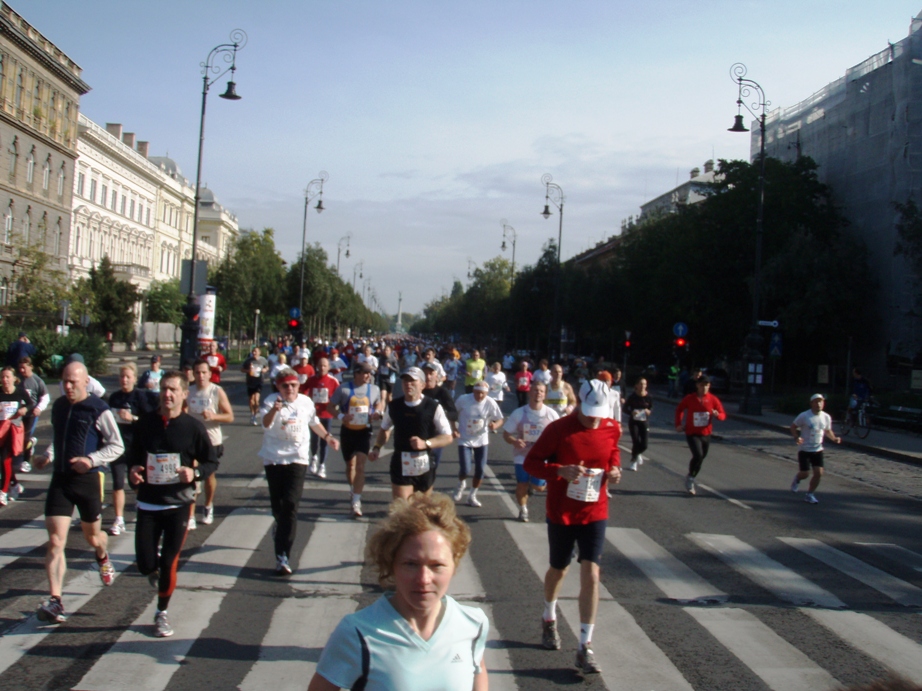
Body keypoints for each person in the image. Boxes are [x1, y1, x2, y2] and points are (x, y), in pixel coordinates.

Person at [309, 492, 489, 691]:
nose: (423, 579)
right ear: (391, 563)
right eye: (411, 564)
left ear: (454, 565)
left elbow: (478, 669)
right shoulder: (357, 633)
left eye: (436, 565)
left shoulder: (473, 624)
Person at [523, 379, 621, 675]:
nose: (594, 418)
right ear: (578, 402)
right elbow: (531, 463)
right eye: (589, 411)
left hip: (595, 510)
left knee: (592, 572)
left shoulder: (611, 427)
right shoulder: (558, 430)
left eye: (598, 412)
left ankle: (584, 646)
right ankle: (549, 616)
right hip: (562, 511)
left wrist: (614, 470)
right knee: (559, 569)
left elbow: (613, 453)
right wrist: (559, 471)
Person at [31, 361, 124, 624]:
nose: (68, 386)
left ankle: (102, 556)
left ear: (86, 382)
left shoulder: (98, 409)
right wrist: (47, 457)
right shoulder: (60, 407)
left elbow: (117, 446)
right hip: (61, 480)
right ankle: (56, 601)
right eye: (65, 381)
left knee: (93, 538)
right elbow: (61, 440)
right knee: (56, 541)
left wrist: (91, 460)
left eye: (73, 381)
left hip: (87, 481)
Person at [127, 370, 218, 638]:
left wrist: (195, 473)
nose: (167, 394)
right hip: (148, 503)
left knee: (169, 561)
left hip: (179, 503)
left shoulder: (193, 428)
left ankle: (161, 613)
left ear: (183, 395)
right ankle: (156, 575)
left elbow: (211, 461)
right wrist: (134, 470)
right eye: (164, 389)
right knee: (145, 563)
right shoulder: (145, 423)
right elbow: (133, 454)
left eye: (173, 390)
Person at [259, 367, 340, 575]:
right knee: (278, 505)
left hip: (298, 458)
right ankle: (280, 527)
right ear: (278, 386)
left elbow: (314, 423)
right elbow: (265, 425)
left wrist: (328, 437)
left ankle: (283, 555)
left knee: (291, 504)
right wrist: (275, 410)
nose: (289, 389)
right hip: (274, 458)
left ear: (298, 385)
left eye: (293, 385)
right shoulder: (271, 401)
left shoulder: (305, 402)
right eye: (285, 386)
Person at [369, 367, 453, 499]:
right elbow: (384, 429)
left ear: (422, 385)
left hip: (424, 462)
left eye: (413, 381)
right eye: (405, 381)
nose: (408, 384)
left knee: (422, 509)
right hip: (401, 460)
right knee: (403, 507)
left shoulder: (433, 407)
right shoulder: (394, 406)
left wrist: (426, 443)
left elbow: (448, 437)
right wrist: (377, 447)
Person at [106, 363, 158, 535]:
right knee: (117, 482)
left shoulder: (140, 397)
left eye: (128, 377)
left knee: (136, 482)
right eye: (122, 377)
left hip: (136, 447)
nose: (125, 380)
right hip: (117, 446)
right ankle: (119, 519)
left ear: (135, 379)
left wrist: (133, 417)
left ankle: (144, 506)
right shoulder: (114, 398)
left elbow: (150, 420)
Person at [331, 362, 383, 517]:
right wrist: (341, 416)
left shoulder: (374, 389)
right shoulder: (344, 389)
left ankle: (356, 501)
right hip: (348, 431)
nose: (369, 376)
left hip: (364, 431)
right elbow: (330, 407)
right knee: (350, 467)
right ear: (357, 373)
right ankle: (353, 490)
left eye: (370, 373)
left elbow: (378, 403)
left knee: (360, 466)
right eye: (365, 373)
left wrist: (378, 412)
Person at [188, 358, 234, 527]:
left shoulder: (216, 391)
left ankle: (208, 505)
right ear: (193, 374)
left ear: (210, 374)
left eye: (204, 372)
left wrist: (214, 416)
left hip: (211, 440)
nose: (201, 376)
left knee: (208, 476)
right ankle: (190, 514)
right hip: (191, 440)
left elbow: (229, 416)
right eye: (197, 372)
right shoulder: (188, 391)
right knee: (191, 476)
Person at [503, 381, 559, 522]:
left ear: (544, 394)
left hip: (541, 457)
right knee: (522, 483)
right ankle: (523, 509)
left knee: (538, 487)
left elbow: (560, 435)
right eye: (535, 390)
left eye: (541, 391)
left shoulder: (551, 414)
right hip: (522, 456)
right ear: (530, 392)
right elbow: (506, 434)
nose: (538, 393)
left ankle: (533, 487)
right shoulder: (519, 413)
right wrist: (514, 441)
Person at [452, 381, 505, 508]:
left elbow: (500, 419)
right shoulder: (464, 399)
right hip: (465, 438)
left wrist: (495, 425)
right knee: (465, 468)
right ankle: (461, 484)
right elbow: (452, 414)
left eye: (483, 393)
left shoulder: (490, 402)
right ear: (473, 391)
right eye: (478, 393)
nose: (480, 396)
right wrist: (454, 428)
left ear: (487, 393)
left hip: (481, 439)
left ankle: (472, 495)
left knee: (480, 469)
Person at [674, 375, 726, 496]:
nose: (704, 388)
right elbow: (679, 409)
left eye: (707, 385)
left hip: (706, 433)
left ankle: (691, 475)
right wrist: (678, 424)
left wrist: (717, 415)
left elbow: (723, 415)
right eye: (702, 385)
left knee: (702, 457)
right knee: (698, 455)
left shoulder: (713, 399)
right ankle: (691, 480)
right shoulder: (690, 398)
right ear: (697, 385)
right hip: (692, 433)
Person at [790, 393, 841, 504]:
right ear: (811, 403)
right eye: (816, 402)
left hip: (817, 449)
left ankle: (810, 494)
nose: (819, 404)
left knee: (819, 473)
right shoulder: (804, 416)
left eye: (821, 401)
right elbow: (793, 427)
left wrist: (834, 439)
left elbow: (828, 431)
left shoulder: (826, 417)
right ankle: (797, 479)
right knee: (805, 474)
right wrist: (796, 437)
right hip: (804, 449)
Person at [303, 356, 340, 479]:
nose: (322, 368)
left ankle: (322, 465)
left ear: (329, 367)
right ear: (316, 367)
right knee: (314, 439)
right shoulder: (311, 379)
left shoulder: (333, 381)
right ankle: (314, 457)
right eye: (320, 365)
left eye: (324, 365)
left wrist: (335, 407)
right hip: (313, 414)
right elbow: (303, 390)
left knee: (325, 439)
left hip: (326, 414)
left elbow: (339, 396)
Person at [421, 362, 459, 469]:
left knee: (432, 466)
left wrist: (441, 416)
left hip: (437, 434)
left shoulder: (442, 392)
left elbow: (454, 413)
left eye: (431, 373)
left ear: (436, 376)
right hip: (419, 432)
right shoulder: (418, 391)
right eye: (425, 373)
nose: (428, 376)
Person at [0, 367, 28, 506]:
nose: (5, 380)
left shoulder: (20, 392)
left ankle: (3, 492)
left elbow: (30, 403)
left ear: (14, 378)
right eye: (2, 377)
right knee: (4, 462)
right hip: (1, 430)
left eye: (7, 377)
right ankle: (15, 484)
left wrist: (25, 409)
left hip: (14, 430)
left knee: (5, 459)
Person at [16, 356, 50, 475]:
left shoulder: (37, 381)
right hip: (18, 414)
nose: (21, 370)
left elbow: (46, 397)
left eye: (24, 368)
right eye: (20, 368)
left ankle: (25, 461)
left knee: (24, 438)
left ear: (31, 367)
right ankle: (30, 443)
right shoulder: (18, 379)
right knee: (17, 438)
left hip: (31, 414)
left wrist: (39, 408)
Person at [624, 377, 653, 472]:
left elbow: (651, 408)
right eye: (641, 384)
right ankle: (633, 461)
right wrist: (631, 412)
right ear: (636, 385)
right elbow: (625, 408)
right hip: (634, 422)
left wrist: (649, 411)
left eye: (644, 384)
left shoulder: (649, 397)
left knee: (644, 445)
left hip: (644, 422)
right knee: (636, 441)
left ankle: (638, 454)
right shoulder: (632, 397)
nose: (643, 386)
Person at [242, 346, 269, 425]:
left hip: (259, 381)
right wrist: (248, 370)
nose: (254, 353)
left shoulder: (263, 360)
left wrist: (265, 370)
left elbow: (267, 367)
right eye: (253, 351)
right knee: (251, 400)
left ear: (259, 353)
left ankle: (254, 415)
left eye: (256, 351)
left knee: (256, 399)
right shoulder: (248, 361)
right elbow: (242, 369)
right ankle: (252, 413)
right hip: (250, 382)